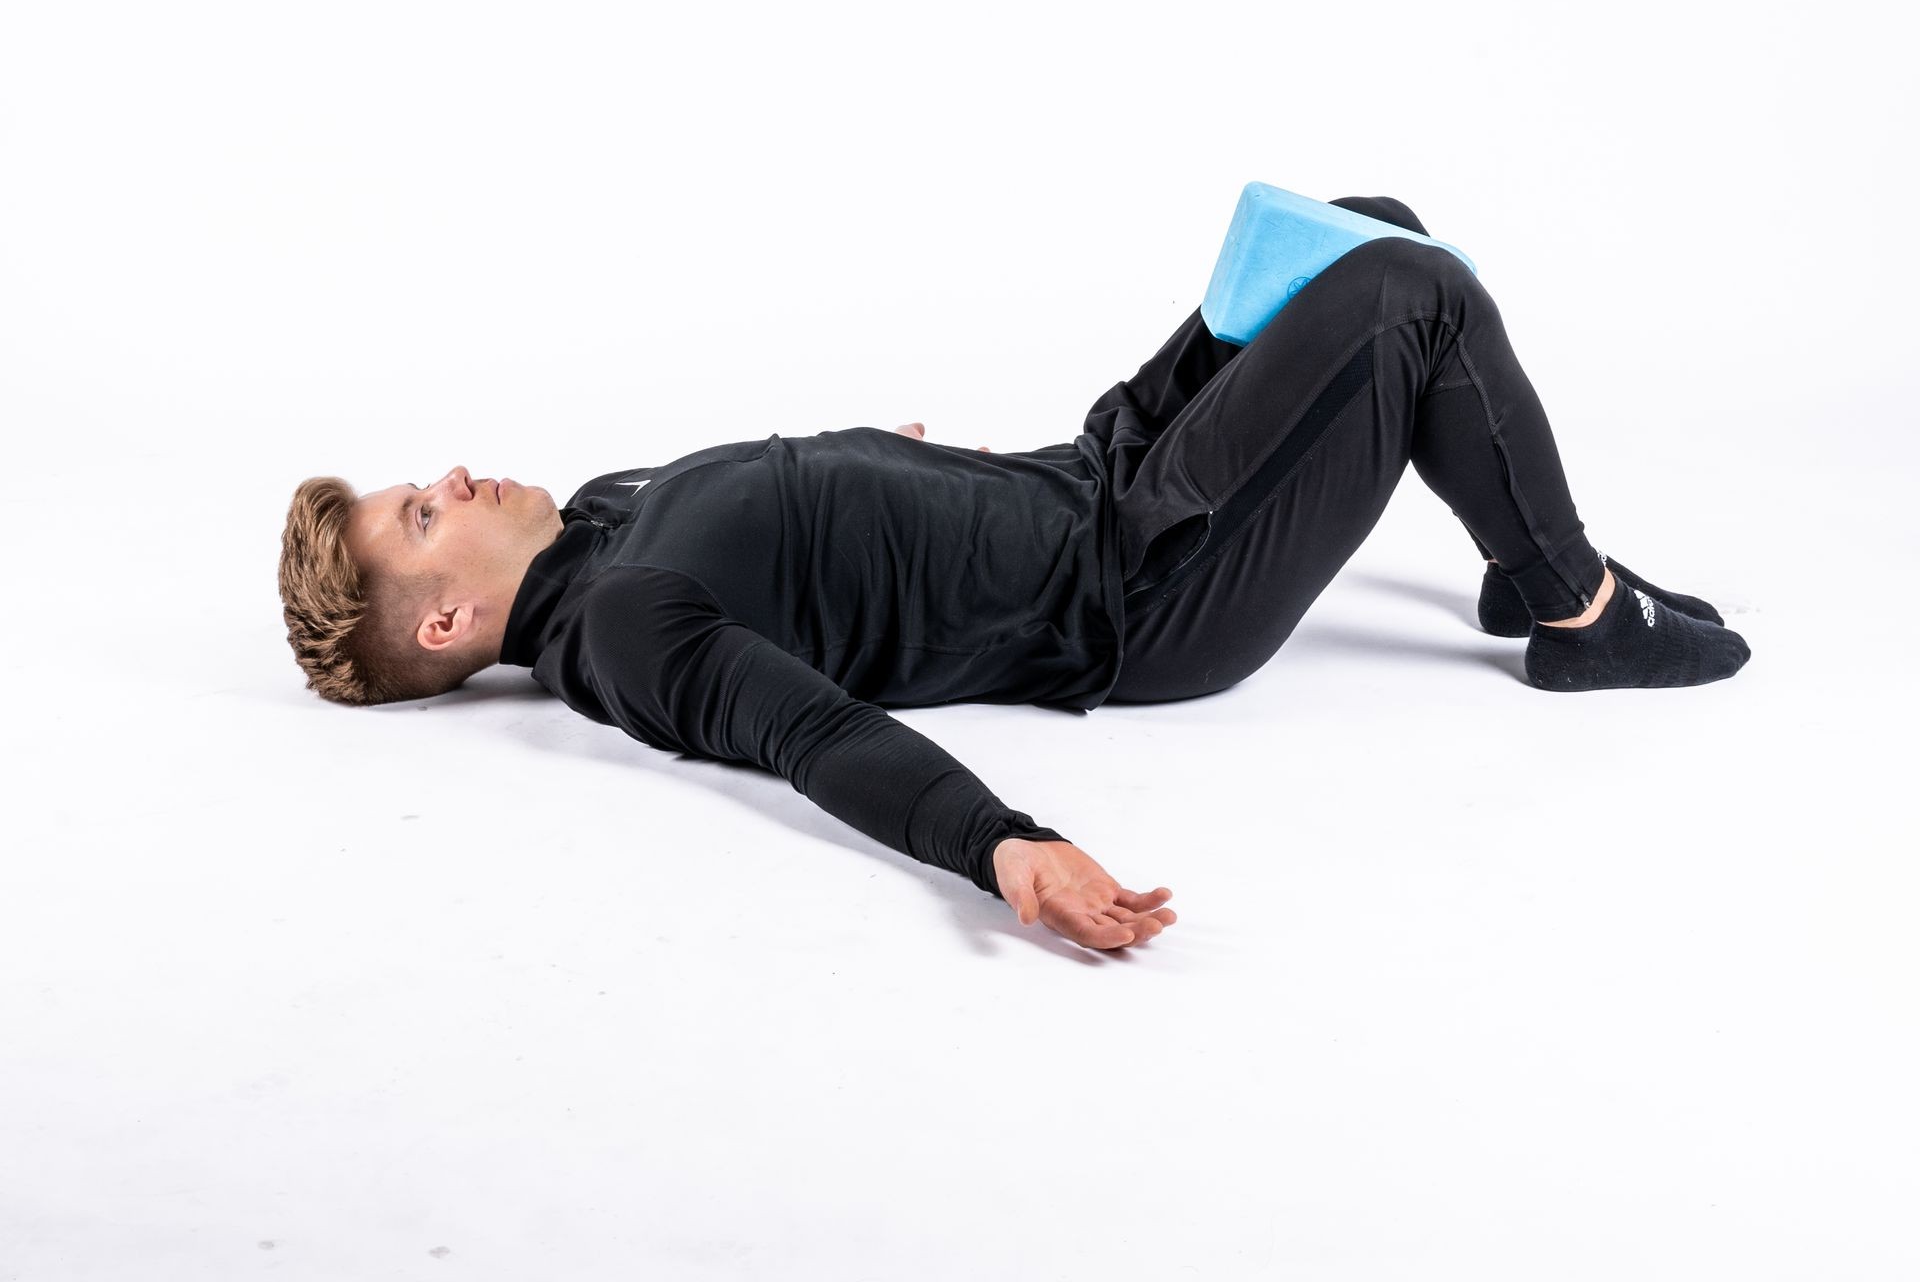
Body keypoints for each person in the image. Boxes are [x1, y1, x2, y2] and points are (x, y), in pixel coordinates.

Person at [276, 194, 1748, 954]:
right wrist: (1004, 847)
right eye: (421, 516)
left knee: (1373, 227)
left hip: (1085, 474)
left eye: (421, 480)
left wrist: (879, 469)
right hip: (1139, 591)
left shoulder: (601, 515)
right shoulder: (627, 632)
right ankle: (1577, 612)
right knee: (1410, 297)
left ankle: (1509, 540)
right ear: (456, 621)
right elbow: (814, 734)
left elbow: (790, 521)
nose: (451, 479)